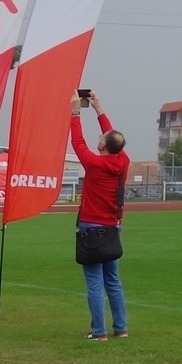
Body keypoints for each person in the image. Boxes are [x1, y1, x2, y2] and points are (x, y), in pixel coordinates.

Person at [69, 92, 131, 340]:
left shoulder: (95, 164)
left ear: (103, 146)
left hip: (91, 229)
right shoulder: (123, 161)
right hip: (112, 228)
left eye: (102, 138)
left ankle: (99, 332)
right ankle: (121, 328)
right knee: (113, 280)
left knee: (94, 282)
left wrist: (75, 112)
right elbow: (113, 137)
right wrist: (98, 108)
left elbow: (78, 142)